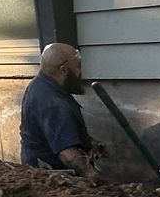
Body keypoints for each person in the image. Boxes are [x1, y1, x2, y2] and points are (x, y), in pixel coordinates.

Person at [20, 42, 105, 180]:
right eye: (77, 67)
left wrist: (88, 142)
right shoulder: (53, 103)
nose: (80, 72)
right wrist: (92, 175)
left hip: (38, 164)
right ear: (64, 70)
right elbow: (68, 154)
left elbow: (59, 130)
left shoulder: (42, 83)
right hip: (50, 174)